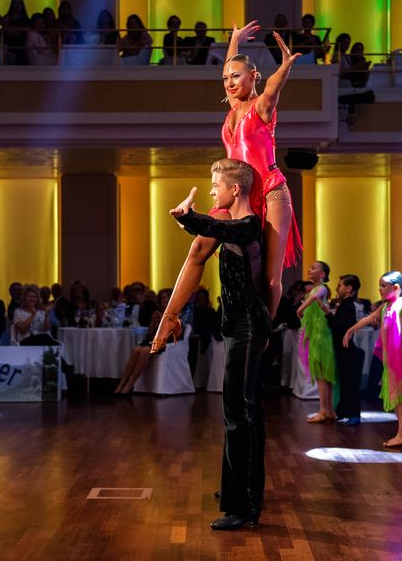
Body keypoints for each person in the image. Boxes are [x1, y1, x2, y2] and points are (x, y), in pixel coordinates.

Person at [152, 20, 303, 350]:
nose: (229, 82)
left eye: (237, 76)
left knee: (271, 278)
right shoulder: (234, 107)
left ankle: (265, 332)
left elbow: (274, 89)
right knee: (199, 247)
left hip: (271, 192)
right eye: (226, 78)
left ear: (253, 77)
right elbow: (230, 69)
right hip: (237, 196)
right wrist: (233, 41)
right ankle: (170, 318)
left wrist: (285, 66)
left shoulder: (261, 108)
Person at [167, 157, 269, 531]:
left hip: (247, 327)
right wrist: (191, 222)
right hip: (238, 328)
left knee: (239, 414)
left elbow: (215, 227)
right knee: (239, 414)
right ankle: (237, 495)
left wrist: (187, 217)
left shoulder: (248, 225)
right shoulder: (232, 227)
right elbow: (212, 230)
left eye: (215, 185)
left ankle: (243, 506)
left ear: (235, 189)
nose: (212, 191)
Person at [343, 271, 402, 450]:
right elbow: (368, 318)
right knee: (396, 393)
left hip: (401, 354)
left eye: (383, 286)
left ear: (396, 288)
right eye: (379, 286)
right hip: (391, 356)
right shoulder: (386, 305)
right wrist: (350, 330)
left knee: (400, 393)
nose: (380, 289)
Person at [114, 288, 177, 394]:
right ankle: (122, 383)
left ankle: (130, 383)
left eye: (166, 297)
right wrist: (153, 323)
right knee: (136, 349)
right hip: (153, 340)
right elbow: (150, 334)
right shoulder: (157, 312)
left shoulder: (174, 313)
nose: (164, 299)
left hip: (166, 342)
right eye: (162, 297)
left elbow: (174, 333)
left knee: (144, 351)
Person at [297, 261, 336, 423]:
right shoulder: (314, 289)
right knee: (322, 375)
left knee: (322, 374)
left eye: (313, 268)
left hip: (321, 334)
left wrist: (300, 308)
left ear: (322, 275)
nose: (308, 269)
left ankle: (324, 410)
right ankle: (328, 410)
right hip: (316, 334)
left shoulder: (322, 288)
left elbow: (314, 297)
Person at [331, 274, 363, 426]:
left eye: (340, 285)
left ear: (349, 288)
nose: (337, 288)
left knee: (350, 384)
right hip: (344, 351)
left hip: (348, 351)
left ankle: (354, 415)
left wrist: (327, 314)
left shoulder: (348, 306)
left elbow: (341, 328)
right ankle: (343, 412)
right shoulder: (344, 304)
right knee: (344, 382)